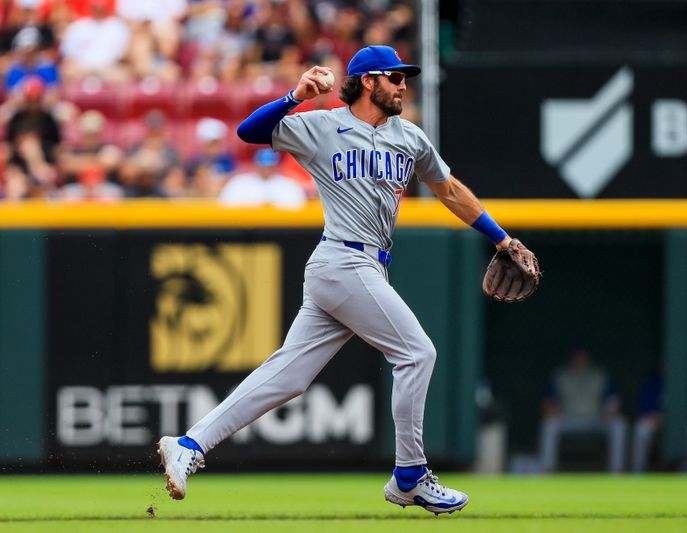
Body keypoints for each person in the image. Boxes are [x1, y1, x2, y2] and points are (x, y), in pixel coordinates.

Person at [158, 44, 538, 515]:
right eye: (395, 77)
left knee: (288, 376)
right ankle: (410, 476)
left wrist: (502, 240)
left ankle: (189, 445)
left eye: (405, 78)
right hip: (342, 260)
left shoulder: (410, 137)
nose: (404, 84)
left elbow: (449, 189)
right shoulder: (322, 126)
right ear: (368, 81)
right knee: (417, 352)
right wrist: (296, 95)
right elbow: (249, 131)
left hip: (361, 268)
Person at [538, 347, 627, 473]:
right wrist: (551, 410)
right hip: (569, 419)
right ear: (572, 358)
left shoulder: (599, 374)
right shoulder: (562, 375)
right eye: (577, 357)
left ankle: (616, 470)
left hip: (595, 419)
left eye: (583, 357)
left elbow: (612, 398)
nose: (580, 360)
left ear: (588, 358)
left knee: (619, 423)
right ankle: (547, 469)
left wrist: (611, 409)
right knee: (549, 424)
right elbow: (549, 400)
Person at [219, 147, 306, 208]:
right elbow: (225, 205)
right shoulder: (239, 182)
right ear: (255, 164)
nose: (266, 169)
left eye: (269, 165)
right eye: (263, 165)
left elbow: (299, 207)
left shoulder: (289, 185)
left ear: (276, 166)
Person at [631, 370, 663, 473]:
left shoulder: (683, 379)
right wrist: (653, 415)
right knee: (641, 428)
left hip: (677, 422)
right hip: (652, 420)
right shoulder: (652, 382)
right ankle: (638, 472)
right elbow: (643, 406)